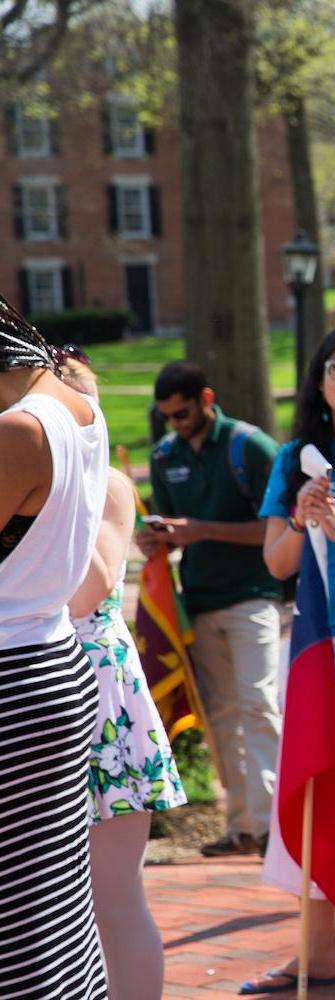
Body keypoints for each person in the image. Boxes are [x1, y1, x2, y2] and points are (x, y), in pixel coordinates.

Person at [240, 324, 335, 995]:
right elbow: (276, 561)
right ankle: (321, 951)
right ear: (320, 380)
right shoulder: (294, 457)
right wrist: (304, 521)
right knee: (316, 786)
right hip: (320, 640)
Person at [56, 352, 186, 1000]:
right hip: (40, 688)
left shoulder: (105, 482)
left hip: (95, 696)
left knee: (113, 895)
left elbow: (87, 591)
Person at [0, 295, 110, 997]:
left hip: (12, 680)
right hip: (52, 661)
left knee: (17, 923)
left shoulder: (18, 432)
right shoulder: (77, 407)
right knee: (51, 904)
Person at [140, 361, 283, 856]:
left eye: (182, 413)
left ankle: (272, 827)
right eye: (167, 417)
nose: (175, 423)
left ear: (205, 398)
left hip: (253, 597)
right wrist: (152, 537)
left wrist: (200, 529)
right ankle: (242, 827)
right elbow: (169, 525)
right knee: (221, 715)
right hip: (198, 601)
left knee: (259, 706)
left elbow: (276, 528)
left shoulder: (250, 447)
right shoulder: (164, 456)